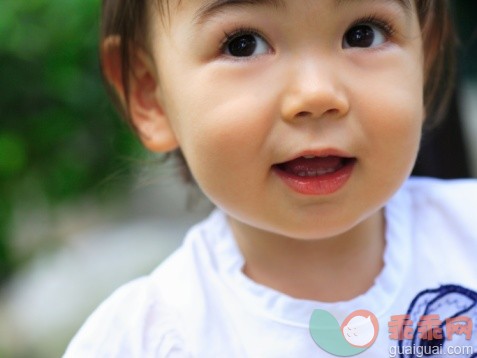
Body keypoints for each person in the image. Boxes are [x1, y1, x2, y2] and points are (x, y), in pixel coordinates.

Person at [65, 0, 477, 356]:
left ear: (424, 58)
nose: (316, 95)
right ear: (149, 92)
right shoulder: (145, 341)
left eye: (362, 34)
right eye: (243, 44)